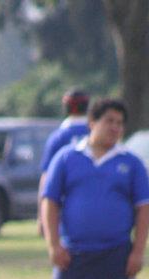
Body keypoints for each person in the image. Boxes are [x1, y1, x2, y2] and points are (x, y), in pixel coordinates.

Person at [37, 98, 149, 279]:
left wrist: (138, 251)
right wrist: (53, 244)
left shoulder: (130, 162)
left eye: (120, 123)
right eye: (109, 121)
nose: (115, 128)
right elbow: (50, 201)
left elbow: (143, 207)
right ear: (92, 123)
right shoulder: (67, 158)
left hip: (114, 248)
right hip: (74, 248)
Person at [38, 89, 90, 234]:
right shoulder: (95, 134)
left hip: (66, 204)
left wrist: (41, 214)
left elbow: (46, 178)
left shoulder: (58, 137)